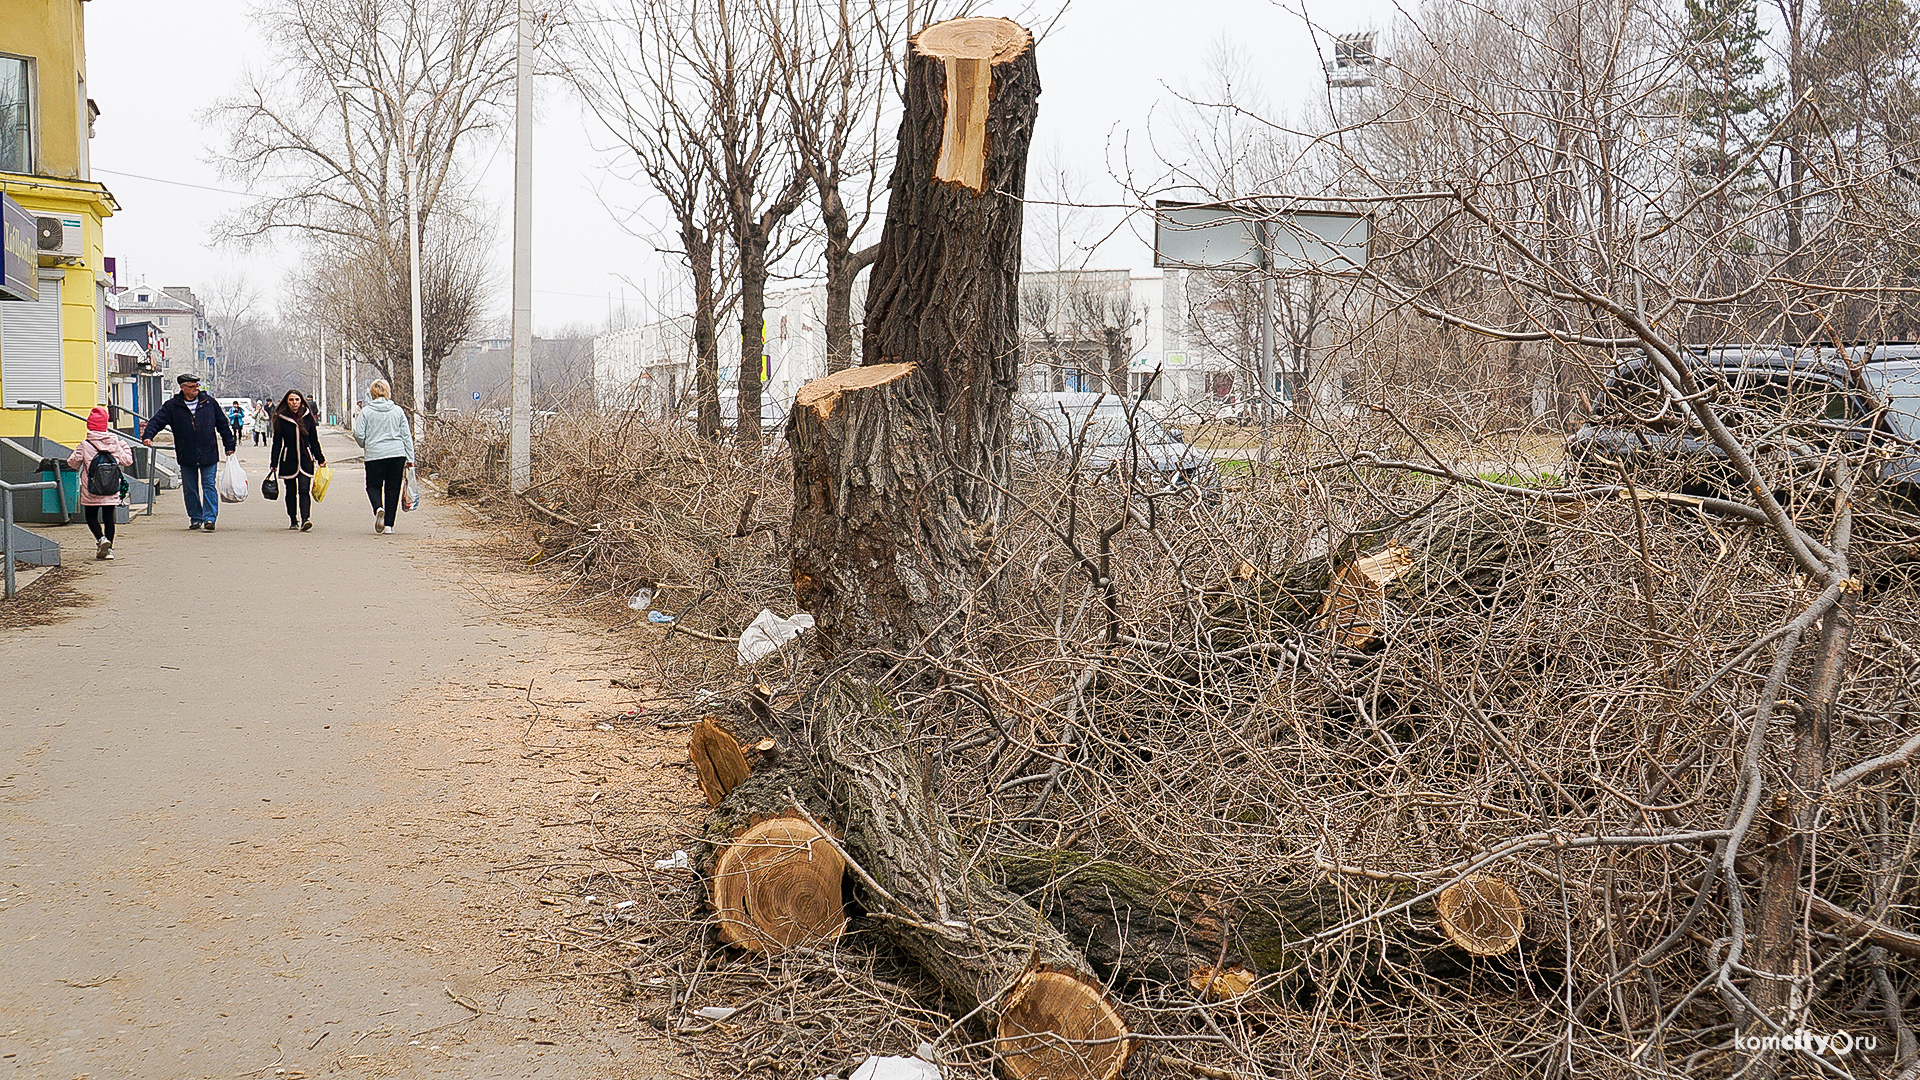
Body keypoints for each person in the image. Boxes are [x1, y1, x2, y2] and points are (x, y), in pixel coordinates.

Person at [140, 373, 236, 531]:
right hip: (186, 453)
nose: (196, 389)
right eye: (192, 387)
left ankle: (210, 518)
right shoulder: (172, 406)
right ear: (182, 388)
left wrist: (229, 445)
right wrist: (148, 436)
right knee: (190, 488)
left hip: (208, 452)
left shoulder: (209, 403)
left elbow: (222, 424)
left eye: (197, 386)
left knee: (209, 485)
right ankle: (196, 518)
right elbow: (156, 421)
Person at [66, 407, 135, 560]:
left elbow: (72, 463)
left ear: (89, 425)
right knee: (109, 518)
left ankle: (101, 539)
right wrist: (124, 446)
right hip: (111, 488)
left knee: (91, 517)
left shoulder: (85, 445)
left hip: (91, 489)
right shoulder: (115, 443)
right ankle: (109, 550)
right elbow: (127, 461)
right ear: (105, 425)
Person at [352, 379, 414, 535]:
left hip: (375, 454)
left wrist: (365, 444)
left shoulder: (366, 411)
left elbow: (358, 433)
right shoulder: (397, 411)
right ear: (388, 391)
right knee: (393, 488)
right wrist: (410, 458)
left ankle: (379, 508)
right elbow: (406, 435)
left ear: (371, 392)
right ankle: (389, 526)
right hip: (397, 454)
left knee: (373, 485)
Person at [269, 389, 326, 531]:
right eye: (291, 400)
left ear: (301, 401)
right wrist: (273, 463)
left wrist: (320, 458)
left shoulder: (308, 416)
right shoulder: (281, 418)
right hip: (288, 459)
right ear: (286, 402)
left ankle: (306, 519)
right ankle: (293, 519)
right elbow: (277, 443)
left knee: (303, 489)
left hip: (305, 458)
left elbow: (314, 440)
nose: (294, 403)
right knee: (291, 490)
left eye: (297, 400)